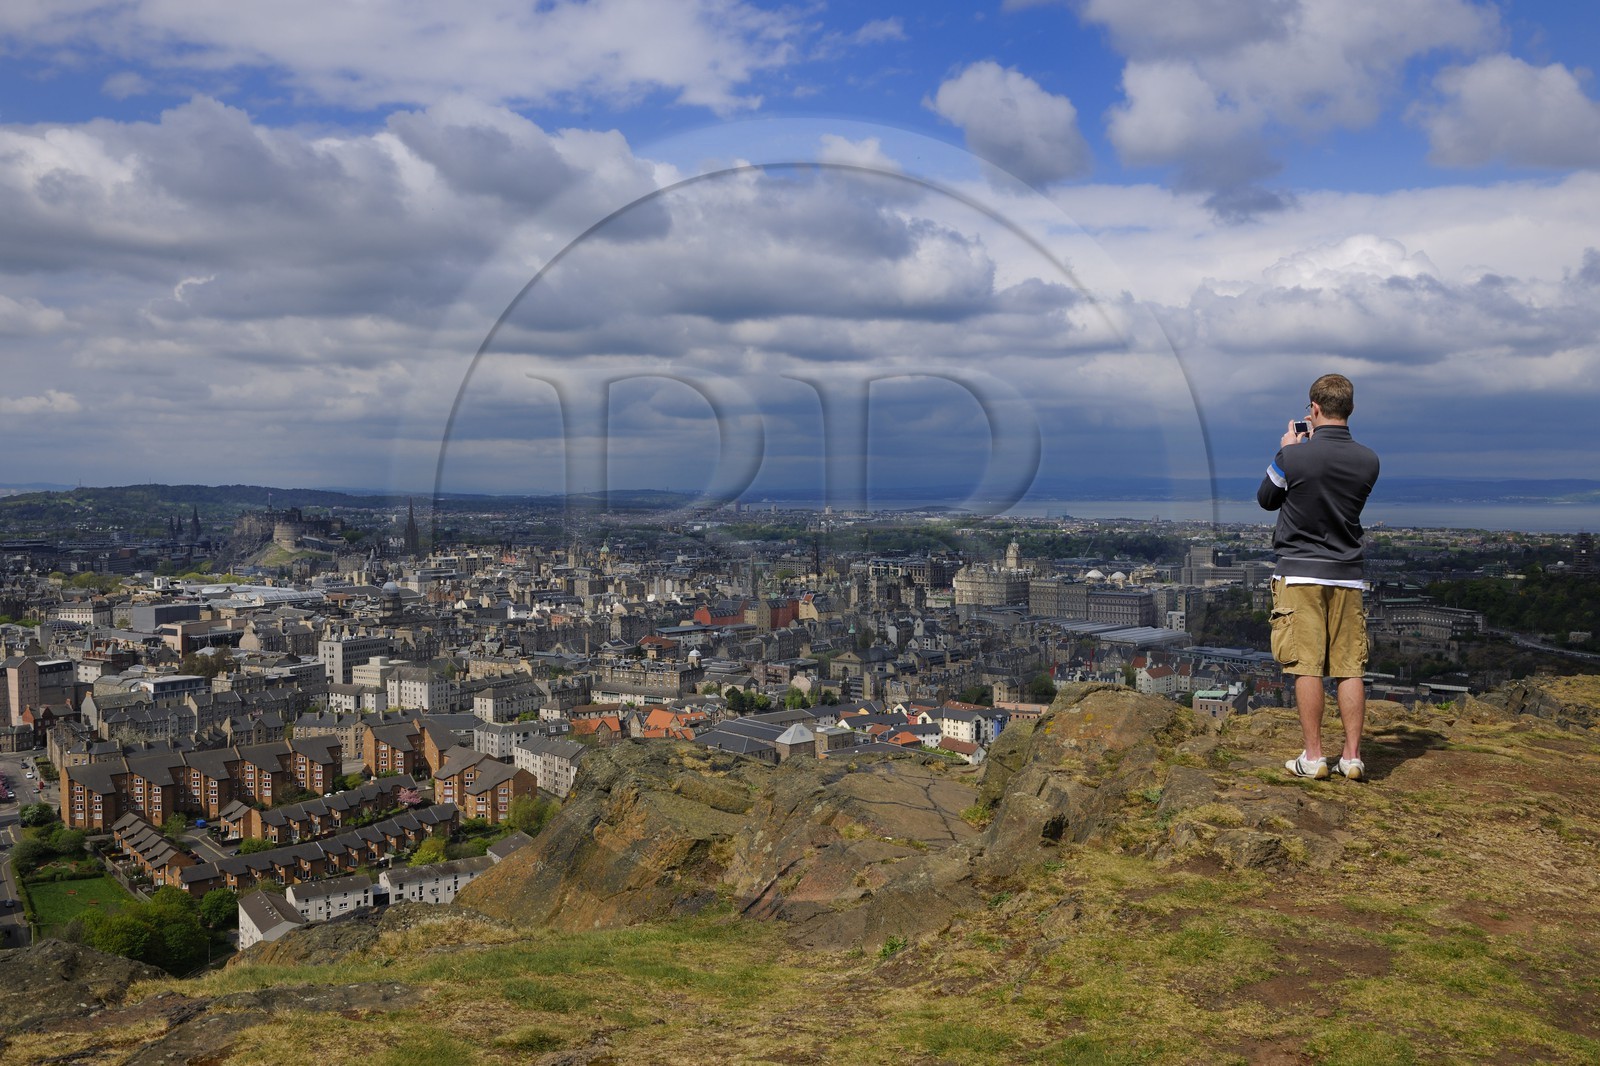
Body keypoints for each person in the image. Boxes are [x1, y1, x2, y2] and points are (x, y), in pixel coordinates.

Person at [1257, 373, 1381, 780]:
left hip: (1299, 572)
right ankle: (1352, 756)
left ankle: (1313, 757)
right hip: (1347, 574)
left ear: (1313, 410)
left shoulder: (1293, 458)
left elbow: (1266, 499)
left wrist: (1287, 450)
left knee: (1306, 665)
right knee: (1349, 666)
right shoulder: (1369, 460)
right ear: (1350, 409)